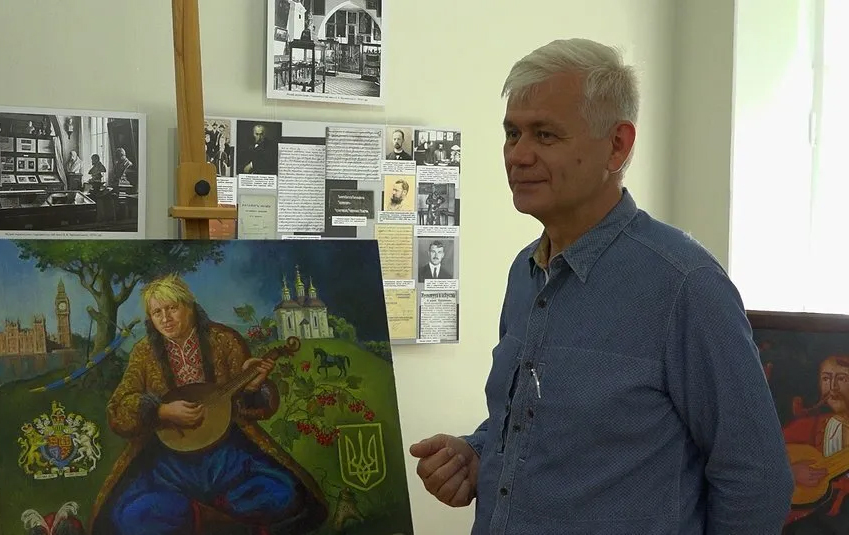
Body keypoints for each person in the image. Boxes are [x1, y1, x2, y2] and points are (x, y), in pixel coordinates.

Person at [408, 38, 794, 534]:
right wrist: (477, 453)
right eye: (512, 133)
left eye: (545, 135)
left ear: (617, 145)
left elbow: (757, 479)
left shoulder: (685, 286)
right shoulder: (526, 272)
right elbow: (532, 422)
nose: (518, 155)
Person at [89, 274, 327, 535]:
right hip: (168, 461)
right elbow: (118, 410)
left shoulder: (224, 340)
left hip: (228, 454)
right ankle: (215, 517)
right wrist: (161, 410)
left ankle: (208, 514)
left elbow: (254, 407)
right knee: (130, 516)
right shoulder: (144, 352)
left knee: (284, 493)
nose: (165, 318)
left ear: (189, 306)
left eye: (172, 308)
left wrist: (252, 387)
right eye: (157, 312)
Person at [782, 355, 849, 528]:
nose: (833, 387)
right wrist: (790, 472)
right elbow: (759, 462)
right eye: (826, 379)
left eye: (842, 378)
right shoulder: (806, 426)